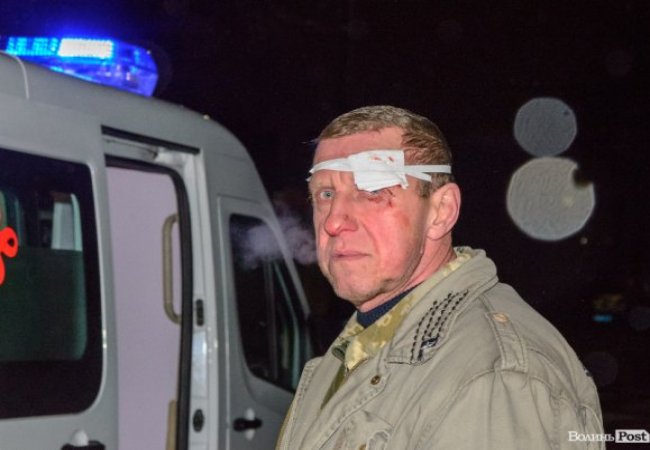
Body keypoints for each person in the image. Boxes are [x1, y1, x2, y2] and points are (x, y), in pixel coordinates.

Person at [275, 105, 604, 449]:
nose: (333, 221)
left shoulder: (491, 376)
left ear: (441, 211)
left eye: (372, 191)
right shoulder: (355, 347)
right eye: (325, 194)